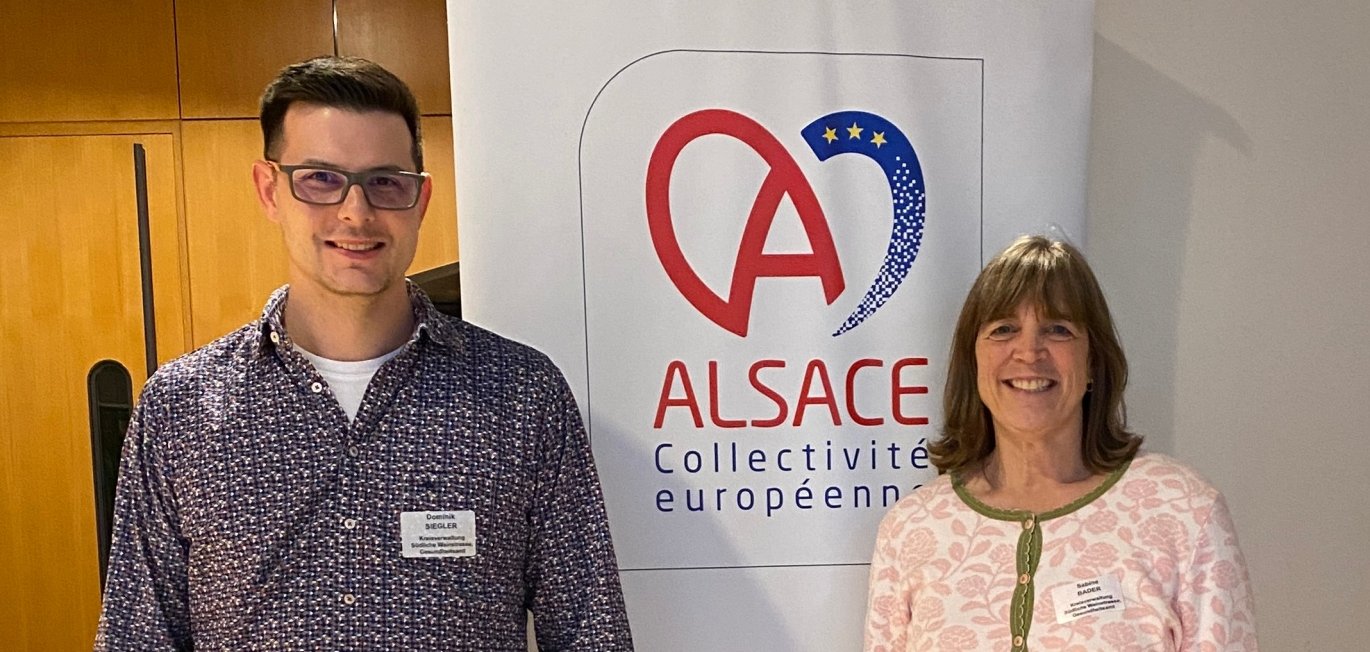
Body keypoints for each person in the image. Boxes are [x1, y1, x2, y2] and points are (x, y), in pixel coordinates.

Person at [95, 56, 633, 651]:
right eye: (321, 178)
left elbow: (591, 630)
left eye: (385, 181)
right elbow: (138, 634)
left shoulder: (519, 394)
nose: (356, 212)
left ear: (420, 199)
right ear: (269, 189)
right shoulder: (182, 407)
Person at [863, 236, 1257, 651]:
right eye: (1003, 329)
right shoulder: (911, 529)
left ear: (1092, 363)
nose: (1029, 352)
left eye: (1058, 329)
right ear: (973, 363)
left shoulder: (1181, 510)